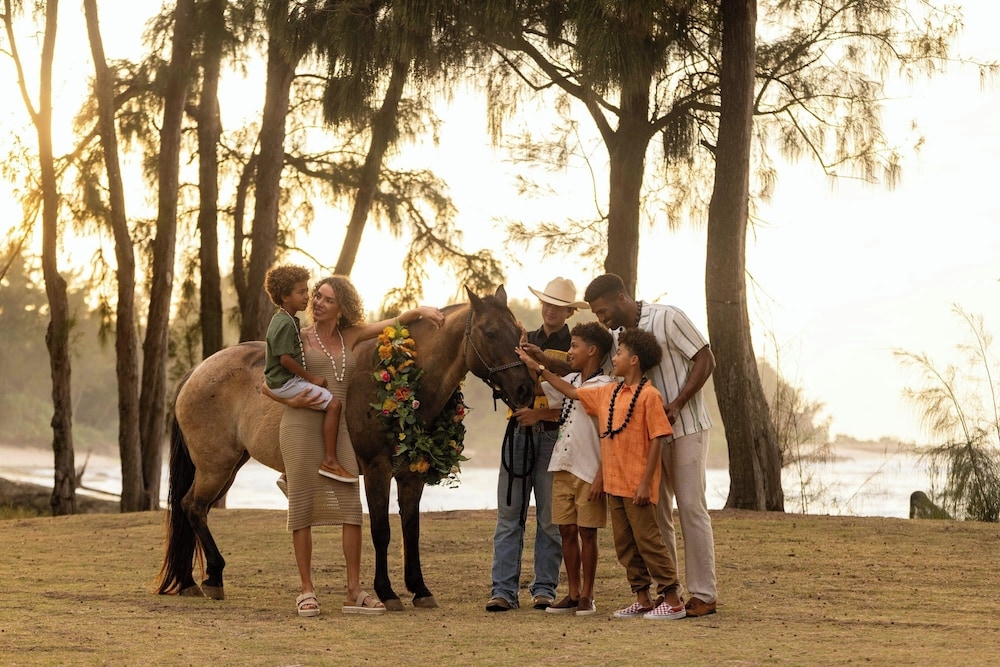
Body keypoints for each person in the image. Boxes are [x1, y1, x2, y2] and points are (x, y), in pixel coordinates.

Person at [264, 275, 444, 617]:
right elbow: (266, 384)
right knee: (301, 508)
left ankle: (354, 590)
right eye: (316, 296)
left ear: (341, 308)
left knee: (351, 510)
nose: (317, 302)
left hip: (340, 431)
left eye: (327, 299)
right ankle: (306, 590)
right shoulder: (297, 337)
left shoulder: (352, 335)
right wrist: (298, 402)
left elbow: (394, 322)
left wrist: (420, 310)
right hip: (301, 427)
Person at [518, 327, 686, 620]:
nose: (615, 358)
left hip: (638, 485)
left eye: (620, 353)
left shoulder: (649, 396)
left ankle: (672, 599)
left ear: (634, 360)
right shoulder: (610, 391)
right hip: (615, 484)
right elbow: (570, 391)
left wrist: (647, 482)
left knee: (648, 540)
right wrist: (540, 368)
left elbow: (659, 436)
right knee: (624, 544)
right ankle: (643, 597)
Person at [583, 273, 718, 617]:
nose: (602, 318)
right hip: (644, 443)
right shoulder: (616, 339)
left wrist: (678, 403)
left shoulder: (668, 316)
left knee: (690, 508)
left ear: (621, 297)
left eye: (603, 311)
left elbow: (706, 359)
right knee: (656, 516)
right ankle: (667, 595)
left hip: (685, 428)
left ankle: (703, 595)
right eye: (596, 314)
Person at [486, 277, 586, 612]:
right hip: (518, 430)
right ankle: (502, 590)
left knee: (550, 518)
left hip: (554, 434)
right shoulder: (522, 339)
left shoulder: (576, 348)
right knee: (509, 514)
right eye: (547, 303)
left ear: (569, 311)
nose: (550, 310)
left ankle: (543, 588)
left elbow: (580, 397)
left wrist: (540, 415)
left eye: (558, 306)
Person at [536, 321, 614, 617]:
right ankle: (571, 592)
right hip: (563, 465)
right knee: (566, 529)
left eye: (575, 346)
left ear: (592, 351)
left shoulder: (605, 386)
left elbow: (570, 394)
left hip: (588, 468)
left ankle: (588, 595)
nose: (569, 352)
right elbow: (553, 390)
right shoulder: (572, 380)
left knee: (587, 532)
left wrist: (601, 475)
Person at [263, 265, 355, 484]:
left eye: (307, 291)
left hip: (284, 381)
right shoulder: (284, 323)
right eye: (301, 292)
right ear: (285, 296)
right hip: (284, 382)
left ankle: (291, 473)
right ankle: (330, 461)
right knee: (333, 405)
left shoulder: (287, 319)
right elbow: (285, 359)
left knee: (320, 408)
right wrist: (311, 378)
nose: (308, 297)